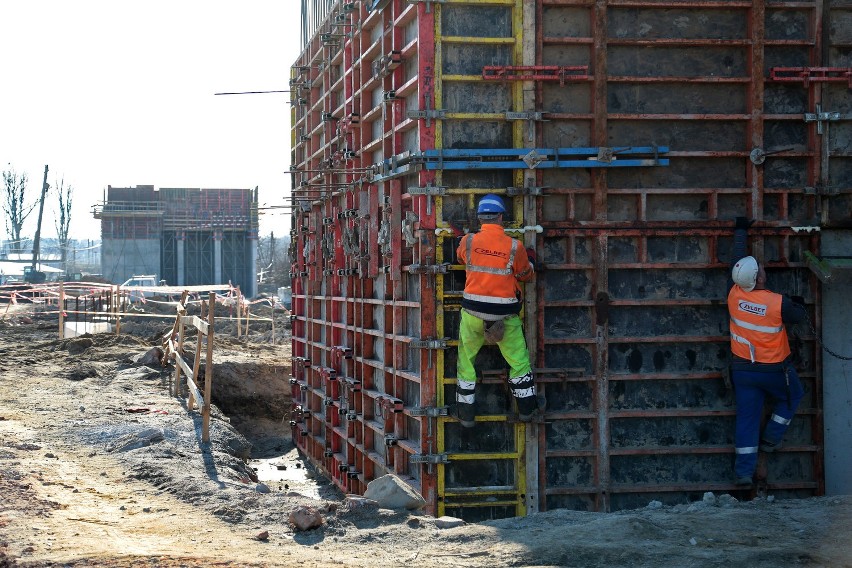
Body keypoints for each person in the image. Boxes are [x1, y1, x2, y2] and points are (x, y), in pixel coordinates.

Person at [728, 217, 806, 486]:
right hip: (774, 371)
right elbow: (798, 315)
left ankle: (743, 473)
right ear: (760, 278)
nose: (762, 267)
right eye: (760, 268)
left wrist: (740, 231)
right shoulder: (777, 303)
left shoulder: (735, 294)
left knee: (746, 420)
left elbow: (737, 260)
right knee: (793, 396)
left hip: (743, 372)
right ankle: (772, 437)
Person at [455, 194, 538, 427]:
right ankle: (527, 410)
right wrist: (530, 261)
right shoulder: (515, 246)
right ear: (501, 217)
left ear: (480, 218)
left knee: (466, 361)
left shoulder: (468, 242)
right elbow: (526, 276)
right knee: (519, 361)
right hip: (505, 316)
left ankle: (466, 414)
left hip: (472, 314)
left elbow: (462, 258)